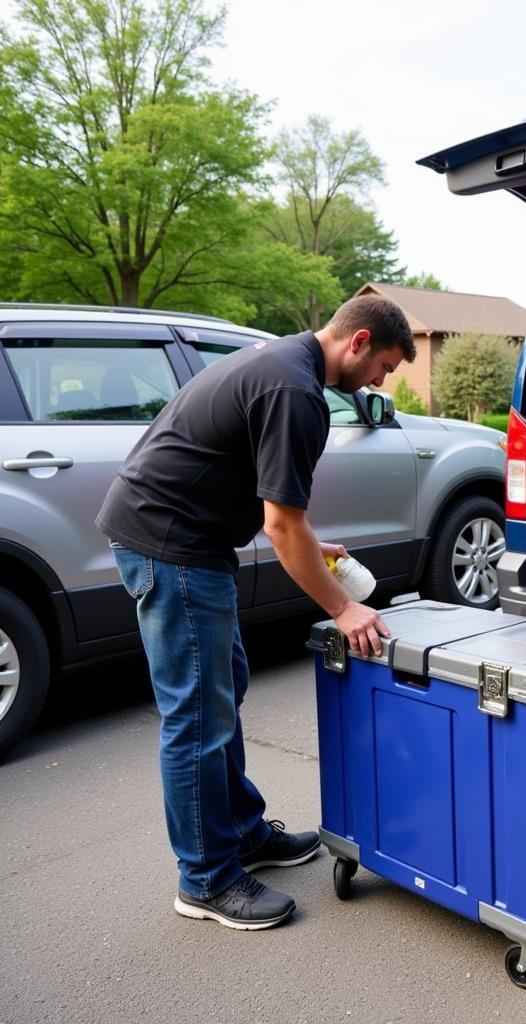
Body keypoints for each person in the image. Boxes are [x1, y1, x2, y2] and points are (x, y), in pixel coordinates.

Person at [96, 295, 416, 929]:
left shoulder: (286, 366)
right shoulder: (296, 391)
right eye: (383, 366)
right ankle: (206, 880)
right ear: (357, 343)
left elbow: (279, 510)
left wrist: (310, 543)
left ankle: (242, 832)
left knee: (223, 690)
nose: (381, 382)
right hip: (170, 545)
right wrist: (344, 608)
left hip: (191, 540)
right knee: (196, 717)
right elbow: (279, 523)